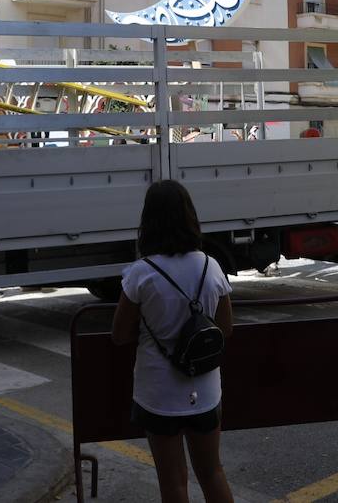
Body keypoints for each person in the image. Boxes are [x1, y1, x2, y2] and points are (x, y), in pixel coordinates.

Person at [113, 181, 234, 503]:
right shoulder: (211, 266)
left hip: (158, 393)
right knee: (212, 473)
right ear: (190, 217)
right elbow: (225, 327)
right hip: (205, 390)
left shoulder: (141, 274)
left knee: (173, 483)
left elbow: (119, 334)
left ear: (148, 221)